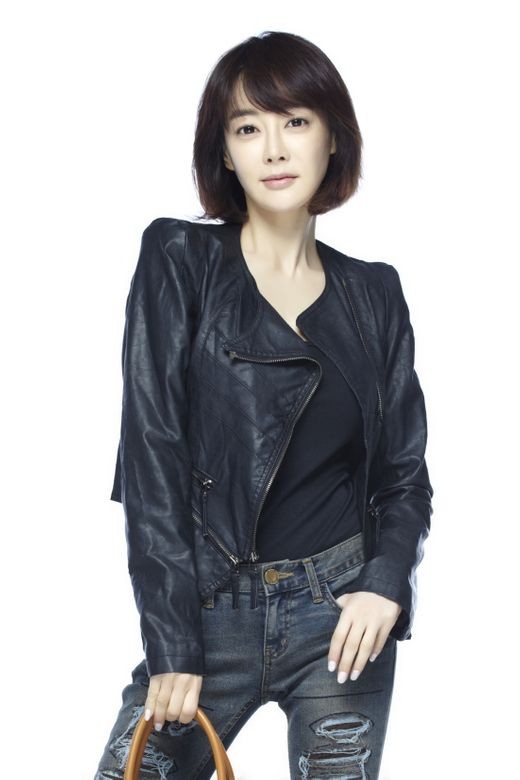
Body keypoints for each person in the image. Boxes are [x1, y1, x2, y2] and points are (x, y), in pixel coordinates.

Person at [94, 30, 434, 780]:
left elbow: (404, 473)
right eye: (248, 128)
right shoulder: (179, 259)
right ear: (224, 152)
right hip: (208, 607)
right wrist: (172, 643)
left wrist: (385, 583)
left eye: (296, 122)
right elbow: (152, 453)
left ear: (332, 138)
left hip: (338, 617)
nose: (274, 149)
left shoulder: (375, 293)